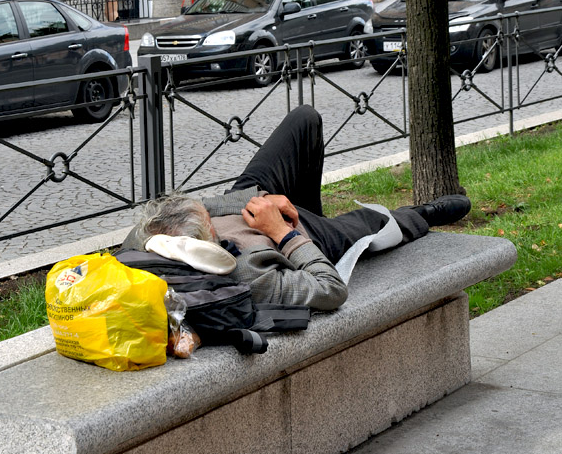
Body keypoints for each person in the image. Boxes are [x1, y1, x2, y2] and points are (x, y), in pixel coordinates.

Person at [122, 107, 471, 311]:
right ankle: (424, 213)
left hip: (253, 199)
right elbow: (331, 290)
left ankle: (302, 206)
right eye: (210, 229)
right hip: (300, 237)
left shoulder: (147, 238)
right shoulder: (250, 277)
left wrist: (259, 200)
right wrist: (283, 233)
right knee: (375, 223)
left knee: (304, 119)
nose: (212, 222)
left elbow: (202, 206)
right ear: (204, 248)